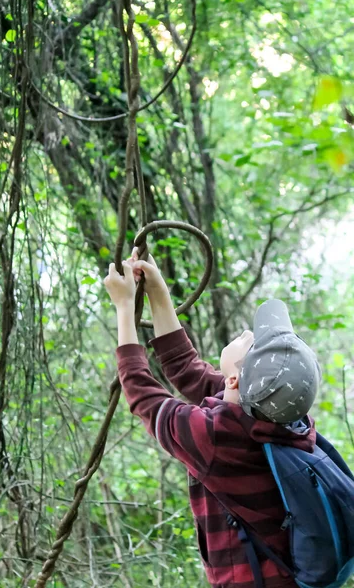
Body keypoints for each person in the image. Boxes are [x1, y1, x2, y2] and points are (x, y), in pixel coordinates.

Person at [104, 252, 321, 588]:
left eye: (251, 342)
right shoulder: (282, 414)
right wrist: (157, 291)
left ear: (234, 380)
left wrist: (123, 308)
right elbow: (185, 368)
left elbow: (141, 392)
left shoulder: (216, 438)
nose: (248, 333)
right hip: (286, 575)